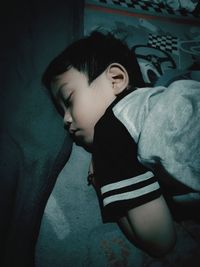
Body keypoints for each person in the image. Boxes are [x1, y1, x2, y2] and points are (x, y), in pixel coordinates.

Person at [42, 31, 200, 258]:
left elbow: (159, 239)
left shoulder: (112, 128)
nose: (65, 120)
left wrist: (101, 178)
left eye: (69, 100)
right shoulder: (153, 98)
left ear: (116, 79)